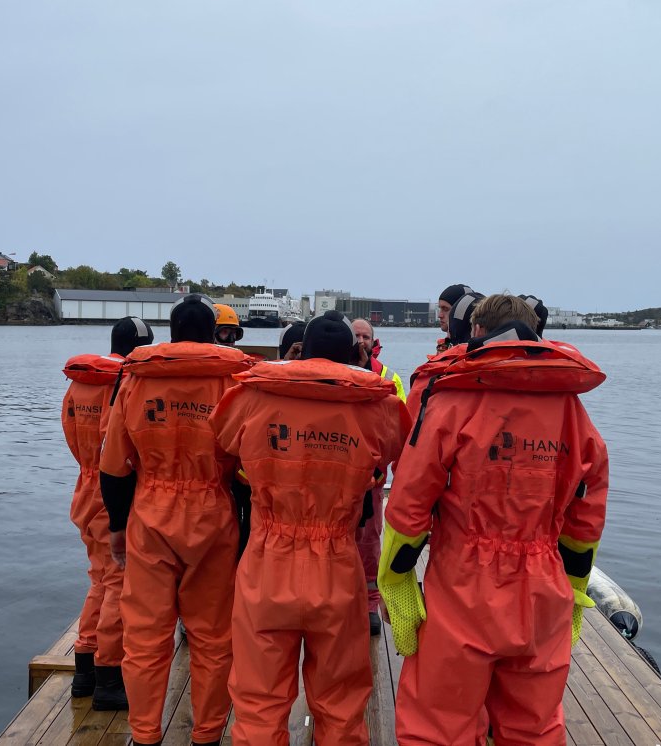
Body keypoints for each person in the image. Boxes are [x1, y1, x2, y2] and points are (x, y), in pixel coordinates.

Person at [380, 294, 610, 746]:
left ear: (477, 332)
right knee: (533, 727)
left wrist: (395, 582)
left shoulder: (453, 401)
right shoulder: (573, 412)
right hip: (543, 591)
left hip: (463, 588)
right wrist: (573, 589)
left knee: (439, 726)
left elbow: (408, 504)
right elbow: (586, 521)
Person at [210, 311, 411, 746]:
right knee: (340, 702)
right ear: (354, 356)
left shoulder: (252, 397)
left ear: (302, 353)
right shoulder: (375, 406)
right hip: (337, 565)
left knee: (259, 701)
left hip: (267, 562)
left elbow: (223, 439)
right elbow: (394, 448)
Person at [98, 294, 254, 746]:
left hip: (150, 515)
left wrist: (116, 527)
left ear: (171, 333)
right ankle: (206, 735)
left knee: (145, 638)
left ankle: (145, 734)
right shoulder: (233, 380)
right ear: (213, 334)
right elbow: (250, 466)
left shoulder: (136, 378)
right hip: (214, 513)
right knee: (213, 638)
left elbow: (114, 466)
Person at [61, 316, 154, 708]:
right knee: (117, 583)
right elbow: (123, 448)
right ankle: (109, 678)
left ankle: (84, 666)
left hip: (84, 487)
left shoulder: (79, 383)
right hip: (110, 491)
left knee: (98, 578)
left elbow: (72, 435)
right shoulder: (123, 382)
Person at [350, 318, 406, 636]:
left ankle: (370, 603)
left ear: (375, 341)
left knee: (369, 543)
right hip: (337, 477)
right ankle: (341, 602)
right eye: (356, 335)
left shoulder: (389, 378)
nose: (361, 340)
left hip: (372, 480)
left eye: (366, 336)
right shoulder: (333, 372)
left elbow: (400, 429)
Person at [434, 283, 473, 353]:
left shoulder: (471, 352)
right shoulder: (445, 346)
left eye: (445, 309)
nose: (439, 315)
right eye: (440, 308)